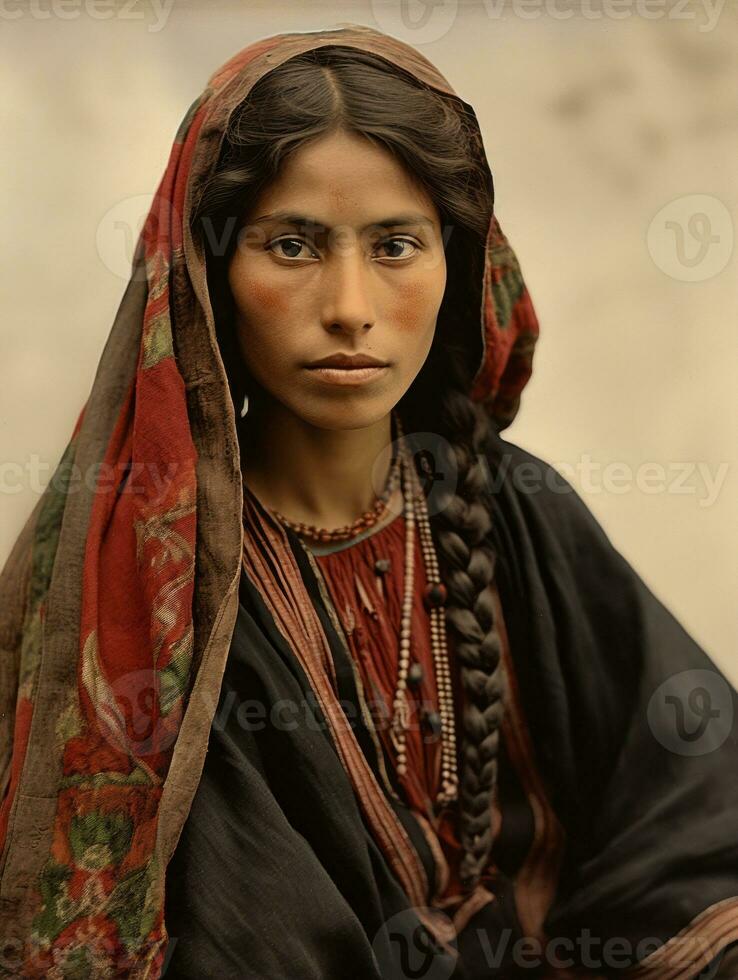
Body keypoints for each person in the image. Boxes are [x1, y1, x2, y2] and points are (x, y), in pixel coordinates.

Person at [0, 24, 735, 980]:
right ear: (208, 273)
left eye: (395, 244)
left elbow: (694, 822)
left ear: (456, 263)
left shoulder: (514, 513)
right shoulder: (159, 595)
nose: (350, 304)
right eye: (293, 244)